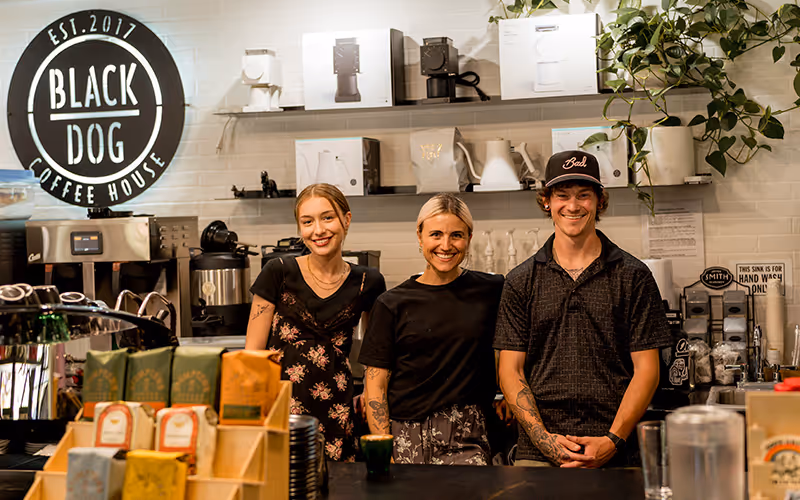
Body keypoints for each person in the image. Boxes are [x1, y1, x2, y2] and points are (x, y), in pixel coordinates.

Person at [494, 150, 672, 468]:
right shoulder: (521, 280)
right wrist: (544, 440)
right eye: (562, 195)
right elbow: (510, 370)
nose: (573, 206)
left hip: (617, 451)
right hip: (538, 453)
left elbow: (648, 371)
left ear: (599, 201)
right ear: (546, 200)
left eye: (583, 196)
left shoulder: (633, 276)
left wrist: (612, 441)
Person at [359, 193, 505, 465]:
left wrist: (510, 394)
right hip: (406, 434)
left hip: (468, 433)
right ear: (420, 236)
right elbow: (375, 385)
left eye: (457, 235)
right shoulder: (392, 303)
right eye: (435, 234)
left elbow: (517, 345)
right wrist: (384, 447)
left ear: (469, 238)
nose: (446, 245)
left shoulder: (493, 289)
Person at [246, 183, 386, 462]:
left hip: (338, 409)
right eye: (307, 222)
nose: (318, 230)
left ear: (346, 219)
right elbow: (252, 356)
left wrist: (373, 411)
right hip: (281, 408)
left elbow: (375, 361)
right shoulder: (278, 272)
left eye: (327, 218)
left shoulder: (368, 282)